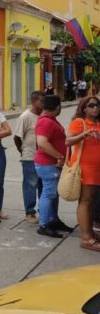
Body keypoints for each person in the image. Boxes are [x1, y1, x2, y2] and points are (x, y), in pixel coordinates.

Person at [67, 96, 100, 251]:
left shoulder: (98, 123)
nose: (95, 108)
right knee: (85, 201)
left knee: (92, 201)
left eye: (97, 105)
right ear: (84, 108)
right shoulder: (79, 123)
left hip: (97, 169)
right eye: (91, 105)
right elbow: (68, 141)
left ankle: (90, 232)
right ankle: (86, 238)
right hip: (85, 169)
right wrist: (84, 134)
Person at [34, 94, 67, 238]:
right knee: (48, 193)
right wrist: (59, 156)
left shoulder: (50, 120)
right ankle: (44, 224)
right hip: (47, 164)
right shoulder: (46, 122)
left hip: (51, 164)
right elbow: (42, 143)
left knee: (53, 194)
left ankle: (53, 220)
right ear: (57, 107)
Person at [14, 91, 45, 223]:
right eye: (41, 101)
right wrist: (22, 150)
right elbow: (17, 137)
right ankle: (30, 212)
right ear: (34, 102)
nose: (44, 104)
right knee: (30, 184)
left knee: (43, 185)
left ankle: (43, 211)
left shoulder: (44, 115)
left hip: (44, 157)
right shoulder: (25, 116)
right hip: (30, 156)